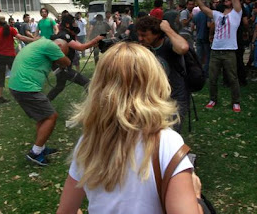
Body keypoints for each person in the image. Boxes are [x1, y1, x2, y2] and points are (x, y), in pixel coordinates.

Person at [57, 43, 203, 214]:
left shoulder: (88, 142)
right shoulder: (167, 142)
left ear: (98, 86)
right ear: (156, 83)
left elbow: (65, 210)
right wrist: (196, 195)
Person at [8, 37, 71, 166]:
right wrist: (63, 59)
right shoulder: (51, 46)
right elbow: (66, 62)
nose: (58, 56)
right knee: (51, 116)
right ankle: (35, 153)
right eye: (62, 52)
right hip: (25, 87)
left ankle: (41, 148)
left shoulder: (40, 43)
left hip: (18, 85)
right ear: (59, 46)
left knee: (42, 118)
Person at [193, 0, 242, 112]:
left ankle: (236, 102)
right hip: (215, 51)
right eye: (224, 0)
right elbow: (202, 8)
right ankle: (213, 99)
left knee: (232, 78)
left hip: (229, 51)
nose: (225, 1)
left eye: (227, 0)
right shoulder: (217, 15)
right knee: (212, 77)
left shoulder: (236, 14)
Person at [136, 16, 189, 133]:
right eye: (139, 35)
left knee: (170, 133)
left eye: (144, 35)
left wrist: (168, 29)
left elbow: (183, 47)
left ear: (156, 34)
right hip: (153, 99)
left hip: (174, 98)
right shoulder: (145, 48)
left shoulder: (169, 44)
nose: (140, 38)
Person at [47, 14, 105, 101]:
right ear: (67, 24)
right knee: (87, 83)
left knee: (59, 87)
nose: (75, 24)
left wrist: (93, 43)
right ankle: (95, 104)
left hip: (61, 68)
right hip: (63, 68)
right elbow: (81, 48)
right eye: (74, 23)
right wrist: (95, 39)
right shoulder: (64, 35)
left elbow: (81, 45)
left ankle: (44, 103)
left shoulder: (68, 34)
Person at [0, 16, 36, 104]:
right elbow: (21, 38)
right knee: (17, 74)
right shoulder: (11, 30)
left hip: (0, 57)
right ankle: (24, 93)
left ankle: (0, 97)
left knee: (0, 76)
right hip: (11, 56)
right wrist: (33, 40)